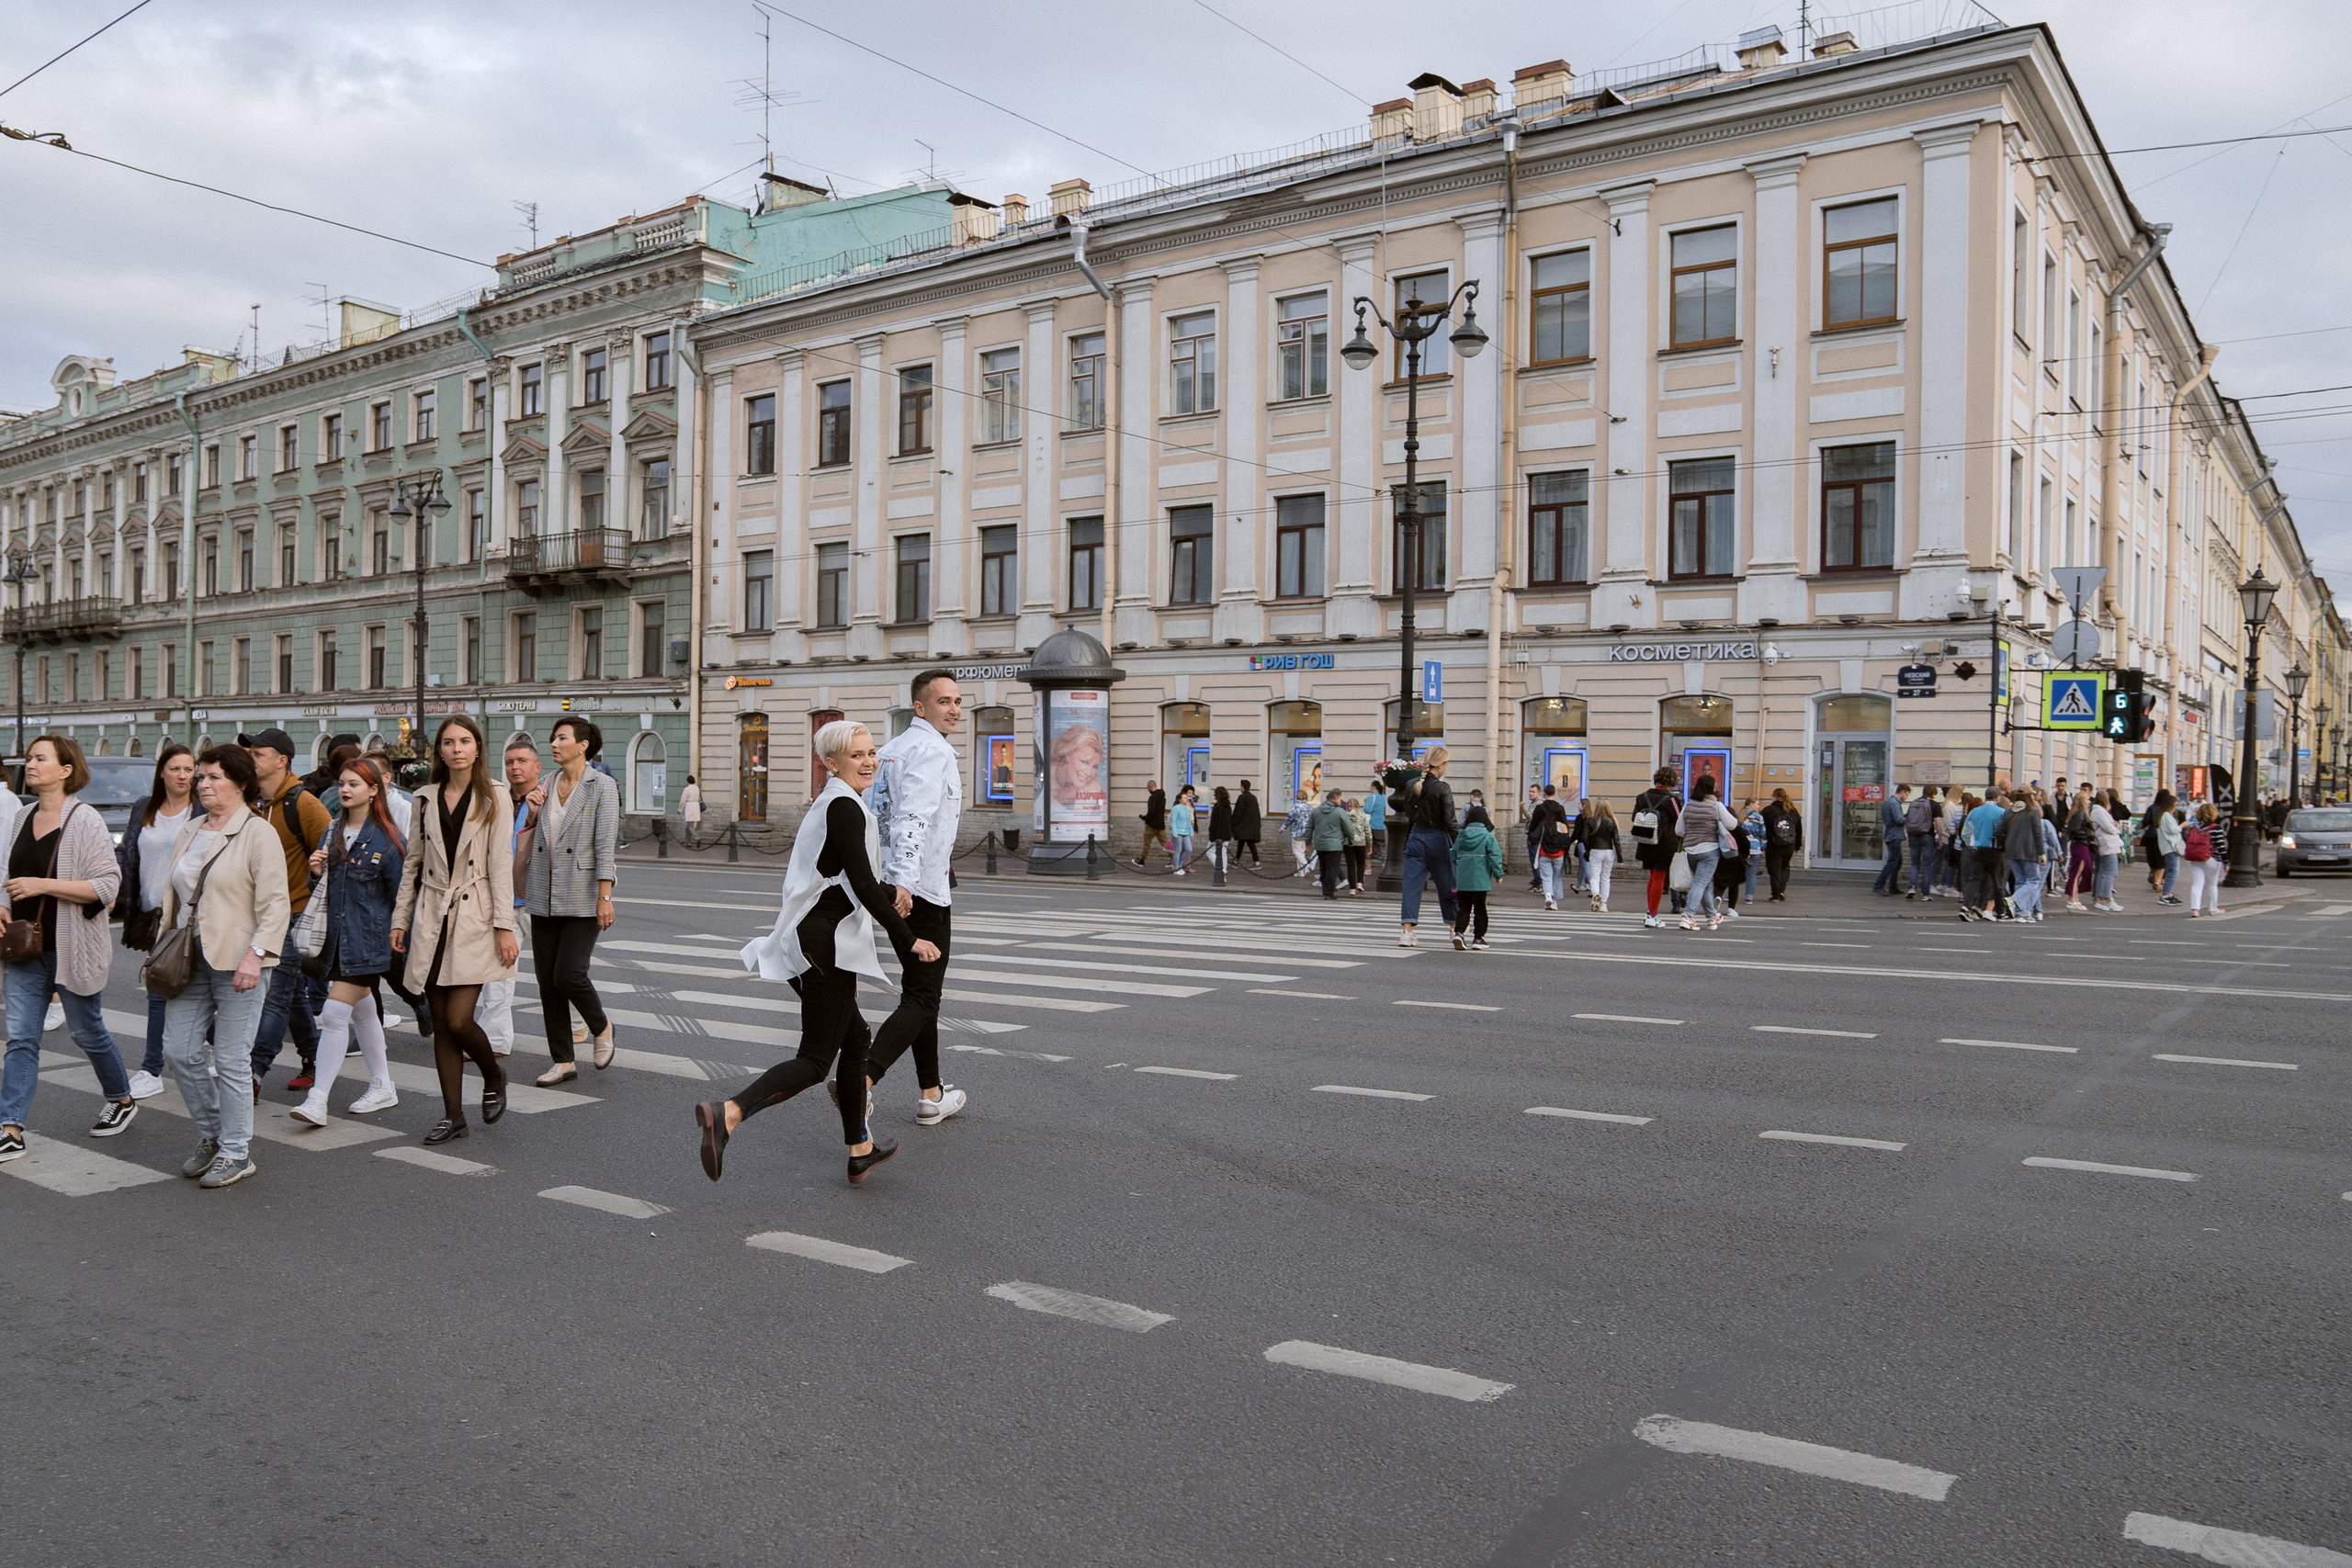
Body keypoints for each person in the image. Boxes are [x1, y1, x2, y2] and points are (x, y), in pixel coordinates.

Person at [704, 720, 936, 1185]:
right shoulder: (845, 808)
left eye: (872, 753)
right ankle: (727, 1112)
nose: (869, 761)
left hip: (810, 937)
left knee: (855, 1039)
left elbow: (843, 874)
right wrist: (908, 939)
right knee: (814, 1060)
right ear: (830, 763)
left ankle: (859, 1149)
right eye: (857, 755)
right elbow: (862, 885)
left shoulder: (838, 803)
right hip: (822, 942)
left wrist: (891, 891)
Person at [156, 744, 292, 1189]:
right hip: (189, 959)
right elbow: (175, 900)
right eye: (201, 776)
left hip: (238, 962)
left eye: (213, 776)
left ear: (240, 783)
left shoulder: (258, 833)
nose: (203, 784)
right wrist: (161, 949)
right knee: (178, 1052)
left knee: (232, 1060)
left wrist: (255, 957)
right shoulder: (192, 828)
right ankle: (215, 1135)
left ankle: (236, 1152)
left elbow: (276, 906)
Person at [0, 736, 136, 1164]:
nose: (31, 765)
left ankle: (121, 1097)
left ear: (65, 769)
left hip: (71, 946)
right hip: (26, 948)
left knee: (86, 1032)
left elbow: (106, 886)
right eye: (29, 759)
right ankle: (10, 1128)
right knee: (21, 1038)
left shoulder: (86, 819)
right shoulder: (22, 815)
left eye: (40, 759)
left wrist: (44, 885)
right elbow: (7, 871)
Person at [390, 716, 518, 1145]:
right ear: (439, 751)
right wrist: (400, 919)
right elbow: (412, 863)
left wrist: (505, 927)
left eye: (465, 741)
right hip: (431, 914)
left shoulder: (495, 795)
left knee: (460, 1019)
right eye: (449, 742)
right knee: (442, 1024)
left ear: (478, 748)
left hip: (475, 915)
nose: (457, 748)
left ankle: (493, 1073)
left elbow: (501, 865)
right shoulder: (424, 799)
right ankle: (452, 1116)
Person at [862, 670, 967, 1128]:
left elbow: (875, 816)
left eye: (958, 701)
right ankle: (862, 1079)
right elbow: (912, 819)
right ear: (920, 707)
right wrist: (905, 881)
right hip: (920, 888)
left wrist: (889, 879)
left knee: (922, 992)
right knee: (923, 996)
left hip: (898, 881)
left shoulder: (889, 751)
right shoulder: (933, 751)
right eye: (944, 701)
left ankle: (931, 1094)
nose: (955, 709)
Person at [289, 758, 405, 1125]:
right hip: (336, 939)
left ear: (374, 790)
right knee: (364, 1009)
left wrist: (399, 941)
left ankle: (317, 1099)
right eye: (342, 783)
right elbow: (323, 892)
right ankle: (383, 1084)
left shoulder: (388, 840)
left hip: (368, 942)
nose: (345, 789)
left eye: (354, 783)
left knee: (336, 1013)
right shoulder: (332, 831)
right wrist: (316, 872)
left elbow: (402, 898)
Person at [522, 716, 620, 1086]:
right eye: (552, 738)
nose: (553, 744)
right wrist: (532, 812)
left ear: (583, 745)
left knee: (570, 974)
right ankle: (562, 1061)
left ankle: (601, 1025)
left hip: (582, 895)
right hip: (543, 893)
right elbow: (534, 834)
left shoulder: (602, 787)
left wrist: (604, 896)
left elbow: (605, 844)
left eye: (561, 738)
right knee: (547, 981)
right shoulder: (546, 783)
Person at [239, 729, 333, 1097]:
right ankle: (313, 1058)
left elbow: (331, 852)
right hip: (256, 916)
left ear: (282, 761)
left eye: (259, 753)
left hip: (294, 915)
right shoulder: (247, 804)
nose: (251, 759)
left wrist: (315, 874)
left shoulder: (303, 804)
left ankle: (254, 1071)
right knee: (293, 995)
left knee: (275, 994)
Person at [114, 741, 197, 1101]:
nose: (183, 775)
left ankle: (151, 1068)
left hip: (185, 915)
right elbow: (126, 852)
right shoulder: (142, 808)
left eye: (189, 769)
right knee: (170, 986)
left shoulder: (200, 810)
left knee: (162, 989)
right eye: (176, 768)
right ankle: (187, 1054)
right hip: (150, 913)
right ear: (161, 772)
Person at [477, 736, 543, 1057]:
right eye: (509, 762)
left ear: (537, 767)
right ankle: (495, 1040)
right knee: (498, 971)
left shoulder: (550, 799)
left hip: (539, 899)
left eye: (521, 762)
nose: (515, 767)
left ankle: (577, 1022)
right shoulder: (496, 799)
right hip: (503, 900)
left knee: (558, 974)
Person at [1396, 749, 1460, 948]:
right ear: (1440, 765)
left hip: (1416, 836)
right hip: (1438, 838)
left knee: (1411, 885)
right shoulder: (1443, 788)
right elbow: (1450, 821)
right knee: (1448, 884)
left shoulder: (1411, 785)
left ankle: (1407, 932)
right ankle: (1454, 928)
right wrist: (1459, 844)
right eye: (1446, 764)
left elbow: (1408, 811)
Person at [1680, 774, 1736, 931]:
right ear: (1711, 788)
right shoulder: (1716, 806)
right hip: (1709, 850)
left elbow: (1679, 830)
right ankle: (1688, 916)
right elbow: (1732, 825)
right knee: (1700, 883)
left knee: (1704, 884)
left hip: (1690, 850)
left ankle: (1712, 917)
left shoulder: (1688, 805)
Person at [1631, 768, 1684, 928]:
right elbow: (1679, 821)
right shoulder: (1671, 800)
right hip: (1665, 843)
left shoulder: (1642, 797)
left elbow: (1634, 817)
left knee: (1652, 877)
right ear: (1672, 782)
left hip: (1646, 841)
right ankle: (1652, 914)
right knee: (1659, 879)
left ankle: (1652, 912)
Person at [1447, 804, 1503, 950]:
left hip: (1463, 880)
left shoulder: (1461, 836)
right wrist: (1498, 875)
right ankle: (1478, 939)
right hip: (1480, 881)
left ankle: (1459, 933)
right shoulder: (1487, 837)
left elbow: (1453, 855)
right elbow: (1495, 857)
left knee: (1464, 908)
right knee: (1480, 909)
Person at [1962, 789, 2009, 922]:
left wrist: (1971, 845)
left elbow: (1965, 833)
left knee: (1973, 880)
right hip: (1994, 850)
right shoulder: (2002, 812)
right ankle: (2001, 913)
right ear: (1997, 798)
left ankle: (1965, 908)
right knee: (1997, 882)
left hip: (1977, 850)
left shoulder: (1974, 812)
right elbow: (2005, 831)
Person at [2005, 789, 2047, 922]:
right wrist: (2042, 853)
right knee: (2034, 880)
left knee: (2021, 881)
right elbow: (2038, 834)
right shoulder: (2033, 812)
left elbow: (2000, 829)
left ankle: (2022, 913)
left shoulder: (2009, 811)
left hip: (2011, 851)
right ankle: (2013, 900)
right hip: (2029, 851)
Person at [1529, 784, 1570, 910]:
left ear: (1544, 794)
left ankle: (1548, 896)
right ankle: (1555, 901)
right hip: (1558, 849)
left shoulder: (1540, 808)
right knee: (1557, 877)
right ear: (1555, 793)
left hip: (1544, 846)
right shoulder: (1560, 808)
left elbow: (1533, 825)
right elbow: (1565, 827)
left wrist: (1531, 838)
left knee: (1546, 876)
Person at [2181, 803, 2223, 915]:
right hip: (2211, 859)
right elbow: (2221, 847)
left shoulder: (2195, 828)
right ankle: (2213, 909)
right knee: (2212, 885)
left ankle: (2195, 909)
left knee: (2197, 884)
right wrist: (2226, 862)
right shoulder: (2216, 828)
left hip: (2194, 858)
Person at [1759, 787, 1801, 902]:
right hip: (1789, 845)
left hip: (1774, 844)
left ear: (1775, 797)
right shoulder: (1792, 810)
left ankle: (1776, 894)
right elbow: (1798, 828)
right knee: (1784, 867)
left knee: (1774, 869)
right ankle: (1782, 890)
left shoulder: (1768, 810)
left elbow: (1761, 826)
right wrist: (1798, 846)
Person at [1308, 788, 1350, 900]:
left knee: (1324, 867)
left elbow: (1309, 827)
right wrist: (1351, 840)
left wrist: (1308, 841)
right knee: (1332, 868)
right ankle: (1330, 891)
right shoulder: (1340, 812)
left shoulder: (1316, 811)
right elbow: (1348, 827)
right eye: (1340, 799)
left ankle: (1325, 890)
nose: (1341, 801)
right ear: (1336, 799)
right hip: (1335, 845)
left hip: (1320, 844)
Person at [2063, 785, 2098, 911]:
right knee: (2076, 873)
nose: (2089, 801)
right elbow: (2076, 830)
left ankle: (2075, 898)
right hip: (2080, 845)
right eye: (2088, 799)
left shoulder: (2079, 813)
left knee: (2080, 872)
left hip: (2081, 844)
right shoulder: (2080, 814)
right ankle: (2072, 899)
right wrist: (2089, 834)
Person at [1872, 784, 1911, 895]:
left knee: (1898, 862)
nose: (1907, 797)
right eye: (1907, 795)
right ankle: (1879, 885)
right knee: (1893, 862)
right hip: (1894, 835)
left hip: (1891, 834)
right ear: (1902, 792)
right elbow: (1899, 820)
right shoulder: (1895, 803)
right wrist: (1909, 816)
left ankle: (1893, 886)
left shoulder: (1888, 802)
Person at [1715, 806, 1752, 918]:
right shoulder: (1736, 828)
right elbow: (1745, 843)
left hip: (1720, 858)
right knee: (1734, 885)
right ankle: (1731, 909)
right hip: (1736, 858)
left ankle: (1718, 897)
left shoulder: (1717, 828)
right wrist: (1746, 854)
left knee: (1719, 882)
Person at [2090, 790, 2124, 911]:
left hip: (2108, 844)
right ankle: (2106, 898)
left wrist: (2114, 825)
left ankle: (2102, 897)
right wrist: (2115, 826)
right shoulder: (2099, 812)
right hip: (2107, 845)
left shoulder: (2099, 811)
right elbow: (2110, 828)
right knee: (2111, 872)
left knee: (2104, 872)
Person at [1584, 799, 1621, 913]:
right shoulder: (1612, 822)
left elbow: (1584, 838)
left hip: (1595, 850)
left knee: (1595, 877)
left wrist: (1588, 848)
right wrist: (1620, 858)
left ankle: (1595, 894)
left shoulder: (1590, 821)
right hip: (1608, 851)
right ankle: (1604, 904)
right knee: (1605, 878)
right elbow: (1616, 841)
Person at [1905, 784, 1939, 900]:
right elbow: (1938, 823)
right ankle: (1925, 894)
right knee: (1927, 865)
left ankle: (1912, 888)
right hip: (1927, 836)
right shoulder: (1934, 805)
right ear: (1934, 793)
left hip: (1914, 835)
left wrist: (1908, 836)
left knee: (1915, 863)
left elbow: (1908, 820)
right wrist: (1941, 839)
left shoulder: (1914, 803)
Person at [2153, 791, 2185, 905]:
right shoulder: (2166, 816)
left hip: (2171, 847)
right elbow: (2173, 830)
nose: (2176, 807)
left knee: (2174, 871)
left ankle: (2169, 893)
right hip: (2170, 847)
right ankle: (2165, 894)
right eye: (2175, 804)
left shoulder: (2166, 815)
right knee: (2172, 871)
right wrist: (2182, 825)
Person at [1134, 780, 1168, 869]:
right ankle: (1174, 860)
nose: (1147, 790)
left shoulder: (1152, 798)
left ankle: (1142, 861)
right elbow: (1158, 812)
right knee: (1166, 844)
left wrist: (1146, 820)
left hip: (1151, 826)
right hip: (1161, 825)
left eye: (1147, 788)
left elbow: (1151, 812)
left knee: (1147, 844)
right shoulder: (1163, 797)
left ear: (1150, 787)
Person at [1341, 795, 1372, 894]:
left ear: (1348, 806)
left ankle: (1352, 889)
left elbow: (1341, 830)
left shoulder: (1344, 816)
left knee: (1350, 865)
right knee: (1361, 864)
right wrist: (1369, 844)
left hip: (1347, 843)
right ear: (1358, 806)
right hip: (1361, 842)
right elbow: (1368, 831)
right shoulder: (1362, 816)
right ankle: (1359, 883)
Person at [1739, 797, 1767, 904]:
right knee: (1751, 873)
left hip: (1740, 848)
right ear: (1751, 805)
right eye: (1757, 804)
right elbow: (1763, 834)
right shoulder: (1758, 817)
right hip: (1754, 848)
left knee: (1736, 871)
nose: (1758, 807)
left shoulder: (1738, 814)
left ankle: (1730, 895)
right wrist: (1763, 848)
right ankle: (1749, 897)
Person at [1284, 787, 1316, 878]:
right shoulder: (1310, 808)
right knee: (1302, 852)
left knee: (1296, 852)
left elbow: (1289, 819)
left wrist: (1282, 828)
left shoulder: (1295, 807)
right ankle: (1301, 872)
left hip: (1296, 833)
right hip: (1306, 833)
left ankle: (1306, 865)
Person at [1522, 784, 1546, 892]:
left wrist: (1523, 809)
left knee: (1535, 860)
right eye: (1530, 791)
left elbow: (1532, 818)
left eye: (1533, 792)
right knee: (1535, 859)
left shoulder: (1538, 804)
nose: (1530, 793)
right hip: (1535, 835)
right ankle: (1538, 880)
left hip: (1534, 836)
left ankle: (1539, 882)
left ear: (1538, 793)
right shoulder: (1536, 803)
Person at [1232, 780, 1261, 866]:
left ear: (1243, 787)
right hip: (1251, 825)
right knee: (1242, 842)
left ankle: (1257, 862)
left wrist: (1233, 822)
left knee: (1249, 843)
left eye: (1241, 785)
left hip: (1244, 825)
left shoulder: (1242, 797)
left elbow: (1238, 811)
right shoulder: (1253, 797)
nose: (1240, 787)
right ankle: (1236, 860)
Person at [1207, 785, 1234, 878]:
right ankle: (1224, 872)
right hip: (1226, 833)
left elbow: (1214, 822)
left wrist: (1212, 836)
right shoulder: (1228, 806)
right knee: (1223, 853)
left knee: (1209, 851)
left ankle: (1221, 869)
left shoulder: (1217, 806)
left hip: (1218, 834)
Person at [1170, 785, 1196, 875]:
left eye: (1186, 798)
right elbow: (1173, 821)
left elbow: (1189, 822)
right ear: (1180, 799)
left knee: (1189, 849)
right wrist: (1174, 832)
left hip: (1186, 832)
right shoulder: (1176, 808)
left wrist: (1191, 833)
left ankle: (1180, 865)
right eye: (1184, 798)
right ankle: (1176, 868)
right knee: (1178, 850)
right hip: (1178, 832)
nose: (1186, 799)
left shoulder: (1187, 808)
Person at [1363, 782, 1386, 872]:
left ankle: (1368, 868)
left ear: (1373, 787)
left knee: (1369, 846)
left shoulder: (1371, 797)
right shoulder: (1384, 797)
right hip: (1381, 824)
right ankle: (1384, 864)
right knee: (1381, 846)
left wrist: (1365, 804)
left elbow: (1368, 810)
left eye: (1371, 787)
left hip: (1372, 823)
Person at [679, 773, 703, 850]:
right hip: (696, 807)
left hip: (689, 807)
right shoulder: (697, 788)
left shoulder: (686, 789)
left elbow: (683, 801)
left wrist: (680, 809)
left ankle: (697, 838)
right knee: (689, 826)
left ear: (687, 782)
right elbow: (699, 798)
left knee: (690, 826)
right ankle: (688, 842)